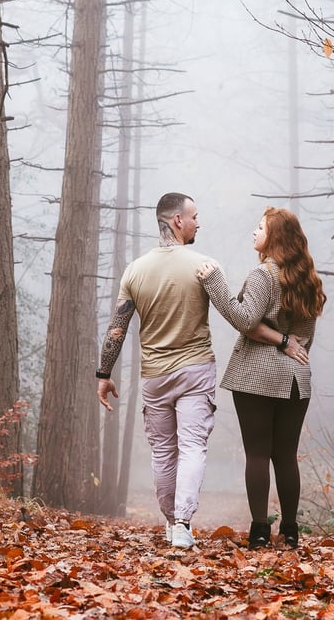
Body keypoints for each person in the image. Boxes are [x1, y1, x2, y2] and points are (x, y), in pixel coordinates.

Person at [196, 207, 326, 550]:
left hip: (256, 376)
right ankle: (291, 530)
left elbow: (244, 319)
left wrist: (215, 283)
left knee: (257, 454)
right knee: (286, 456)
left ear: (276, 237)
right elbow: (304, 337)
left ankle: (258, 531)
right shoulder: (308, 279)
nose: (254, 233)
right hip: (297, 378)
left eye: (260, 228)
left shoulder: (263, 275)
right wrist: (284, 341)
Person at [95, 192, 217, 549]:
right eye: (194, 216)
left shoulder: (135, 270)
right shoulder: (202, 265)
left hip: (155, 376)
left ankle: (171, 524)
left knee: (164, 451)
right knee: (192, 446)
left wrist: (104, 374)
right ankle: (182, 523)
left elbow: (116, 328)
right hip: (196, 370)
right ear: (177, 220)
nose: (198, 222)